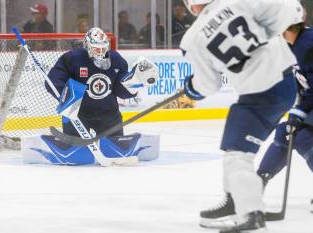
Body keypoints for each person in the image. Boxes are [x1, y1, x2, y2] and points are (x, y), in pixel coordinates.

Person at [180, 0, 303, 232]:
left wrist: (192, 87)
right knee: (233, 145)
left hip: (261, 93)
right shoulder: (236, 1)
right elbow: (289, 10)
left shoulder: (192, 39)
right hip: (285, 83)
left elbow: (208, 85)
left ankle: (251, 212)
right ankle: (234, 201)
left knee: (237, 156)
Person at [46, 27, 158, 138]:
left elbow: (121, 92)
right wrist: (65, 98)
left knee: (114, 154)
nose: (100, 52)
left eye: (103, 49)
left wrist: (135, 82)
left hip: (109, 114)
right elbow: (52, 80)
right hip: (79, 114)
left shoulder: (116, 60)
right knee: (78, 152)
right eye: (96, 49)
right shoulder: (73, 58)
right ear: (87, 46)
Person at [257, 20, 313, 210]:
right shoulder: (293, 45)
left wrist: (300, 111)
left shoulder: (309, 43)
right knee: (286, 132)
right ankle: (257, 183)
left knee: (302, 137)